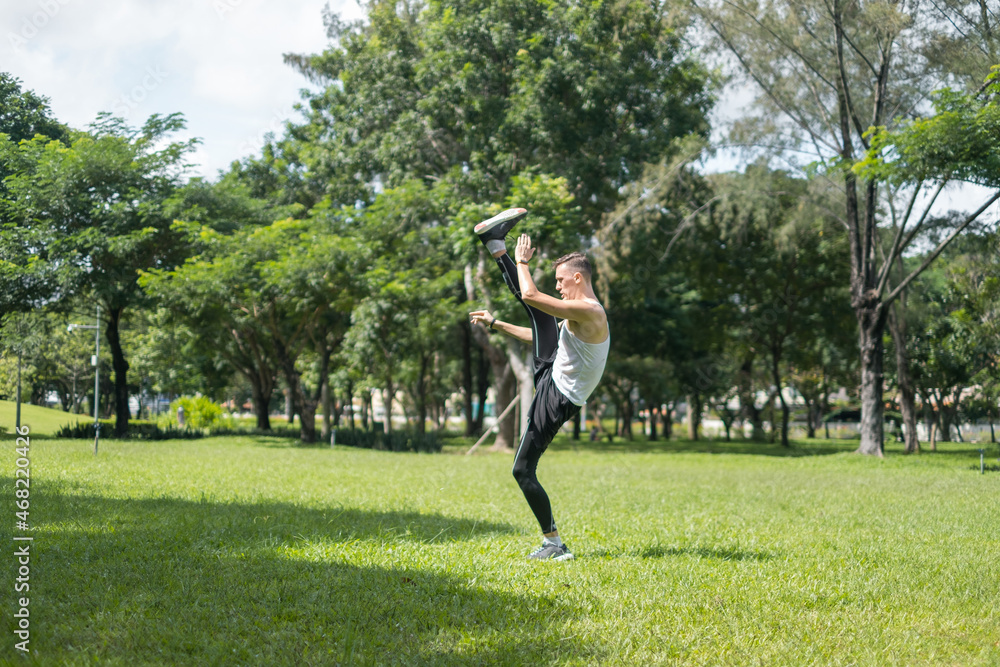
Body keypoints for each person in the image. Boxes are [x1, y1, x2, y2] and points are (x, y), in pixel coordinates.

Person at [469, 208, 610, 561]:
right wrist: (495, 323)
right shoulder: (574, 314)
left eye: (562, 281)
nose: (558, 286)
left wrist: (524, 263)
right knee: (540, 318)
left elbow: (531, 296)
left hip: (559, 396)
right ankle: (495, 244)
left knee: (522, 469)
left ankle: (555, 544)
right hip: (552, 375)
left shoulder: (590, 312)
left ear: (578, 278)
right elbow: (539, 335)